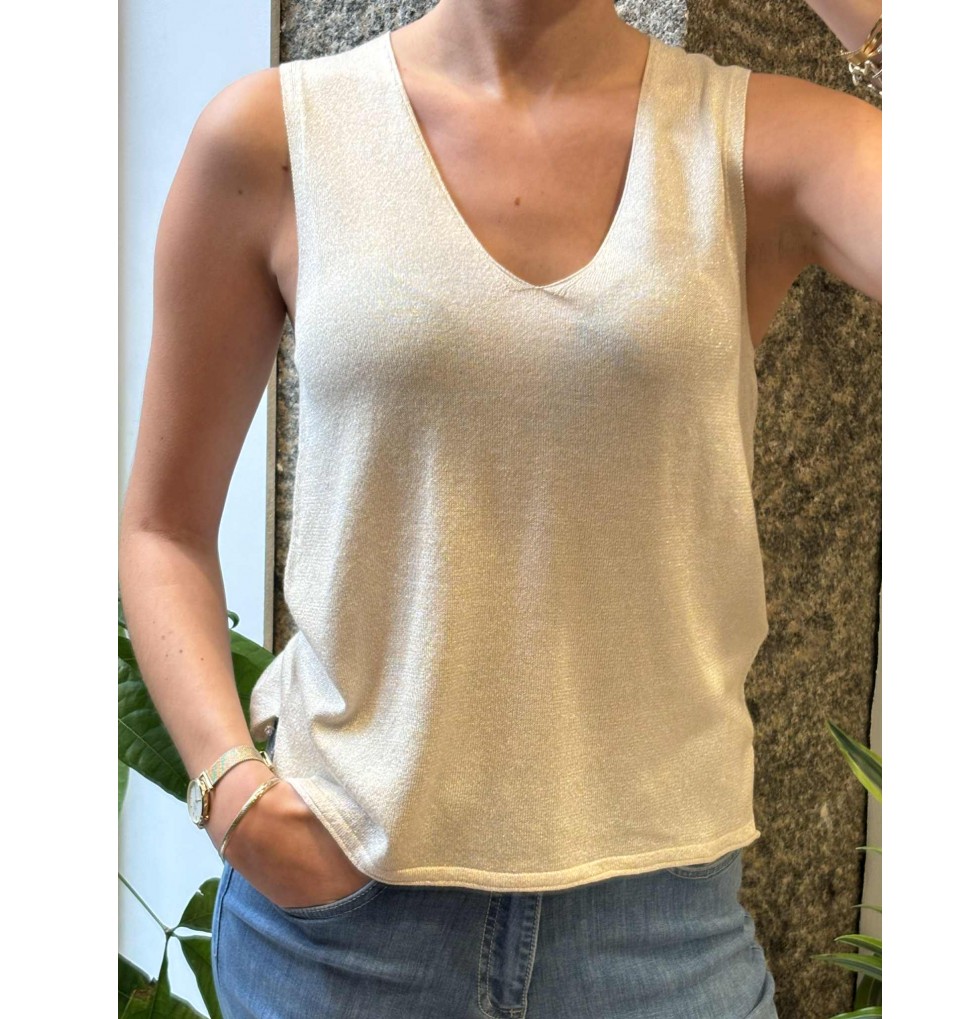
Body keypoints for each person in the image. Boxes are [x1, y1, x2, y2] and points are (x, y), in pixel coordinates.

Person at [118, 1, 881, 1016]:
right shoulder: (279, 136)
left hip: (658, 938)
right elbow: (163, 526)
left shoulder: (754, 140)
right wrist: (231, 791)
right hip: (343, 934)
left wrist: (870, 22)